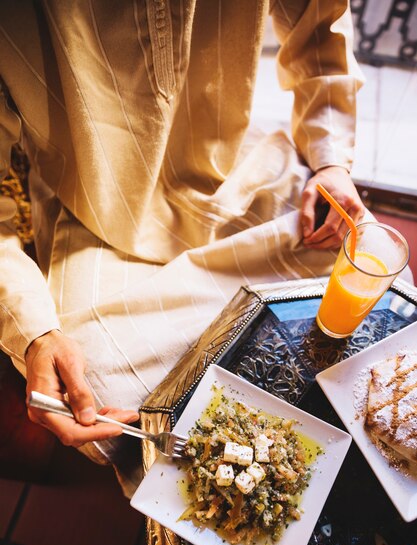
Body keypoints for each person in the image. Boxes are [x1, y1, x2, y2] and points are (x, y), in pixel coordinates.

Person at [0, 0, 369, 495]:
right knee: (91, 393)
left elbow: (319, 23)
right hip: (93, 212)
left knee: (357, 263)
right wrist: (35, 333)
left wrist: (331, 162)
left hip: (236, 177)